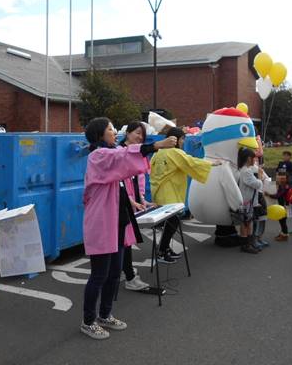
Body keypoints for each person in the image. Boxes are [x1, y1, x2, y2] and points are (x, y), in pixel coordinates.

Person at [81, 117, 176, 340]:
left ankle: (105, 315)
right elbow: (122, 156)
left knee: (114, 274)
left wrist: (137, 202)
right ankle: (88, 321)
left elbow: (124, 173)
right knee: (99, 275)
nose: (115, 133)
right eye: (111, 130)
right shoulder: (98, 156)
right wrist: (154, 146)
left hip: (117, 222)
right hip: (103, 224)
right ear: (99, 135)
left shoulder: (110, 156)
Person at [150, 127, 215, 263]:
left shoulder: (158, 153)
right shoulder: (174, 152)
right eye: (183, 139)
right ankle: (162, 251)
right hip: (170, 193)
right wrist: (212, 163)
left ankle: (165, 248)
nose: (183, 142)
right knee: (173, 222)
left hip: (159, 192)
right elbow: (191, 162)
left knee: (170, 223)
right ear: (176, 139)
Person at [119, 122, 152, 291]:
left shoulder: (139, 153)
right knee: (125, 240)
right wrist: (130, 200)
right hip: (121, 203)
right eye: (137, 133)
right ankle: (130, 277)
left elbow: (139, 178)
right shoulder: (119, 152)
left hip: (131, 202)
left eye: (142, 135)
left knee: (126, 240)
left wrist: (142, 198)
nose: (139, 137)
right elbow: (120, 182)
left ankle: (124, 271)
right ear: (127, 133)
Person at [236, 147, 262, 254]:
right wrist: (260, 178)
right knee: (245, 223)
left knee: (248, 222)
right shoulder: (246, 171)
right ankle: (246, 245)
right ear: (248, 159)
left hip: (248, 200)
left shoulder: (245, 169)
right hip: (246, 201)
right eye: (253, 158)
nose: (254, 160)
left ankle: (248, 243)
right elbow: (256, 184)